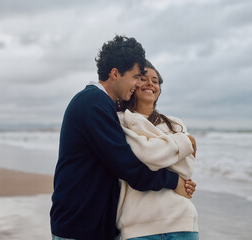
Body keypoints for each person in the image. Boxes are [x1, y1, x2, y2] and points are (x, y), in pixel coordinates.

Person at [50, 35, 196, 240]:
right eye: (136, 77)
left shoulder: (99, 103)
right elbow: (126, 165)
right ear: (115, 73)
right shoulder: (93, 103)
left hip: (91, 223)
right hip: (79, 223)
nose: (137, 84)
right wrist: (173, 181)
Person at [116, 60, 199, 240]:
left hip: (183, 221)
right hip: (137, 227)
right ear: (133, 84)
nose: (150, 84)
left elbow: (186, 168)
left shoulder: (175, 124)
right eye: (143, 78)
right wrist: (183, 144)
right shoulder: (120, 120)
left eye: (155, 80)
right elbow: (144, 155)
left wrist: (155, 151)